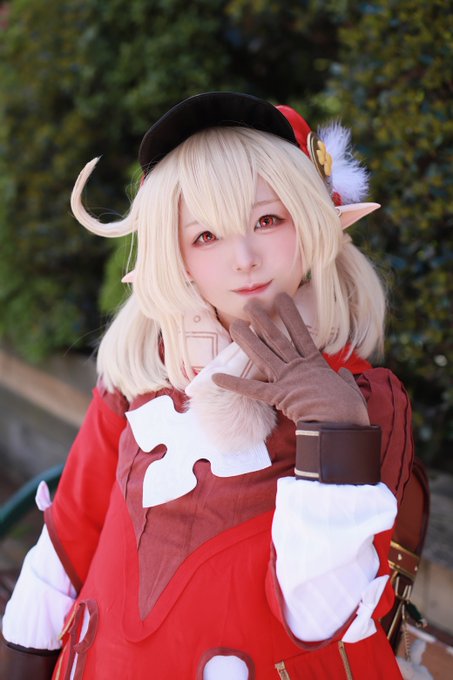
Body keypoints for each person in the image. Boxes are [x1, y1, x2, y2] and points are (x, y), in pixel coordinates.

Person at [2, 92, 413, 679]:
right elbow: (71, 532)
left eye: (267, 220)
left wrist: (335, 435)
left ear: (312, 222)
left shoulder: (363, 399)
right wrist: (23, 658)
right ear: (176, 257)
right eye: (205, 236)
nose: (244, 258)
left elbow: (318, 620)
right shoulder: (146, 371)